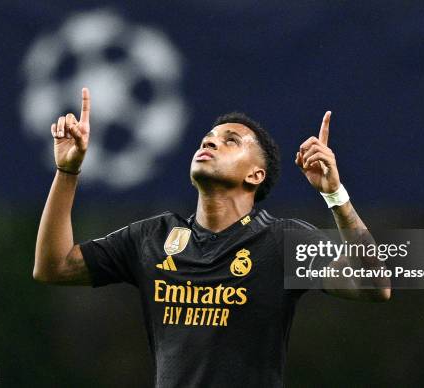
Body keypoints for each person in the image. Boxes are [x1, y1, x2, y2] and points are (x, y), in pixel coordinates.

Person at [33, 88, 391, 387]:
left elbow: (376, 286)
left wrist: (336, 196)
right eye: (208, 139)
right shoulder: (153, 237)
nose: (211, 143)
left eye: (230, 141)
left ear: (255, 175)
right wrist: (68, 169)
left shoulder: (281, 242)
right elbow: (54, 267)